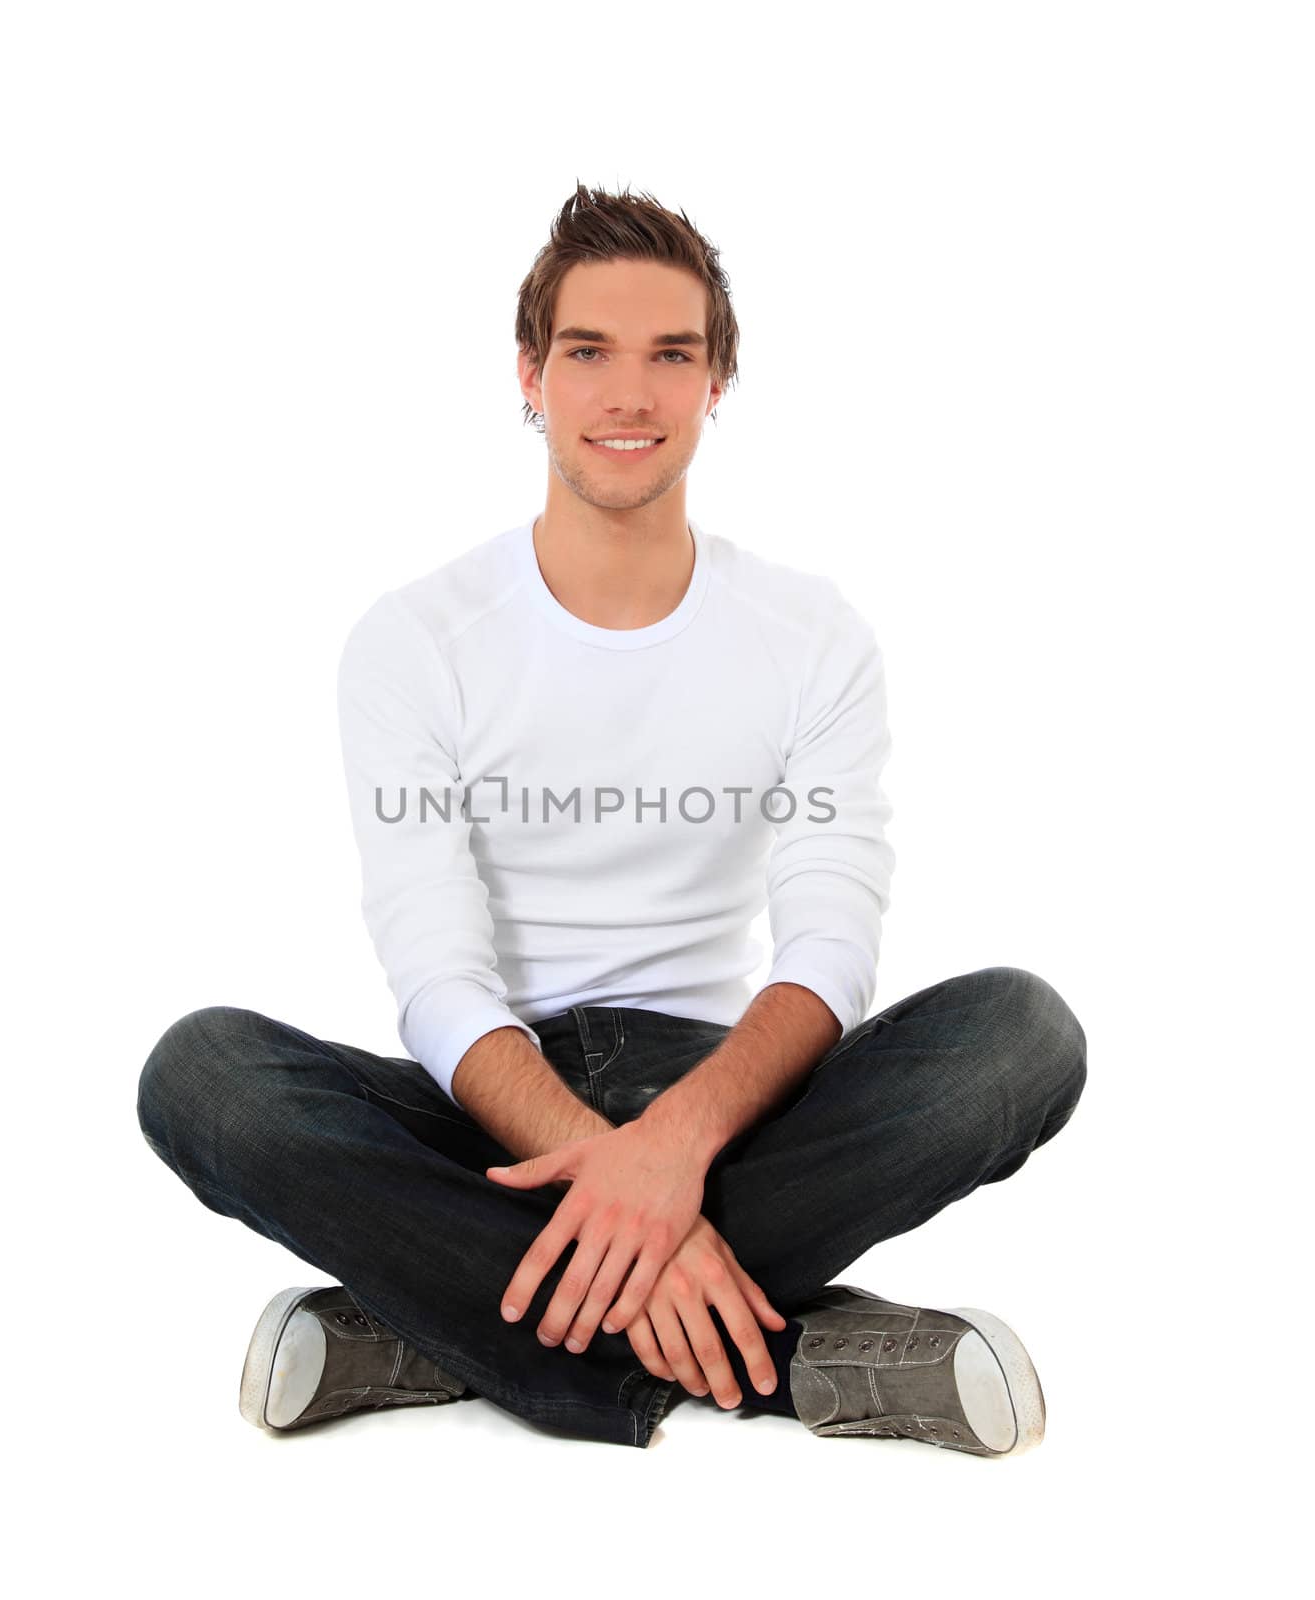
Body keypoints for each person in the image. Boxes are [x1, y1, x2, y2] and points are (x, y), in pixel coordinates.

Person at [137, 182, 1087, 1454]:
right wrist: (606, 1166)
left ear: (716, 384)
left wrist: (674, 1148)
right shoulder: (416, 640)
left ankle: (434, 1324)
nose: (628, 395)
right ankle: (798, 1356)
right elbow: (436, 971)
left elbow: (828, 945)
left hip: (725, 1094)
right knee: (206, 1078)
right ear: (530, 375)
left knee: (1021, 1034)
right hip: (489, 1111)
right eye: (588, 353)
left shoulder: (810, 636)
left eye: (670, 355)